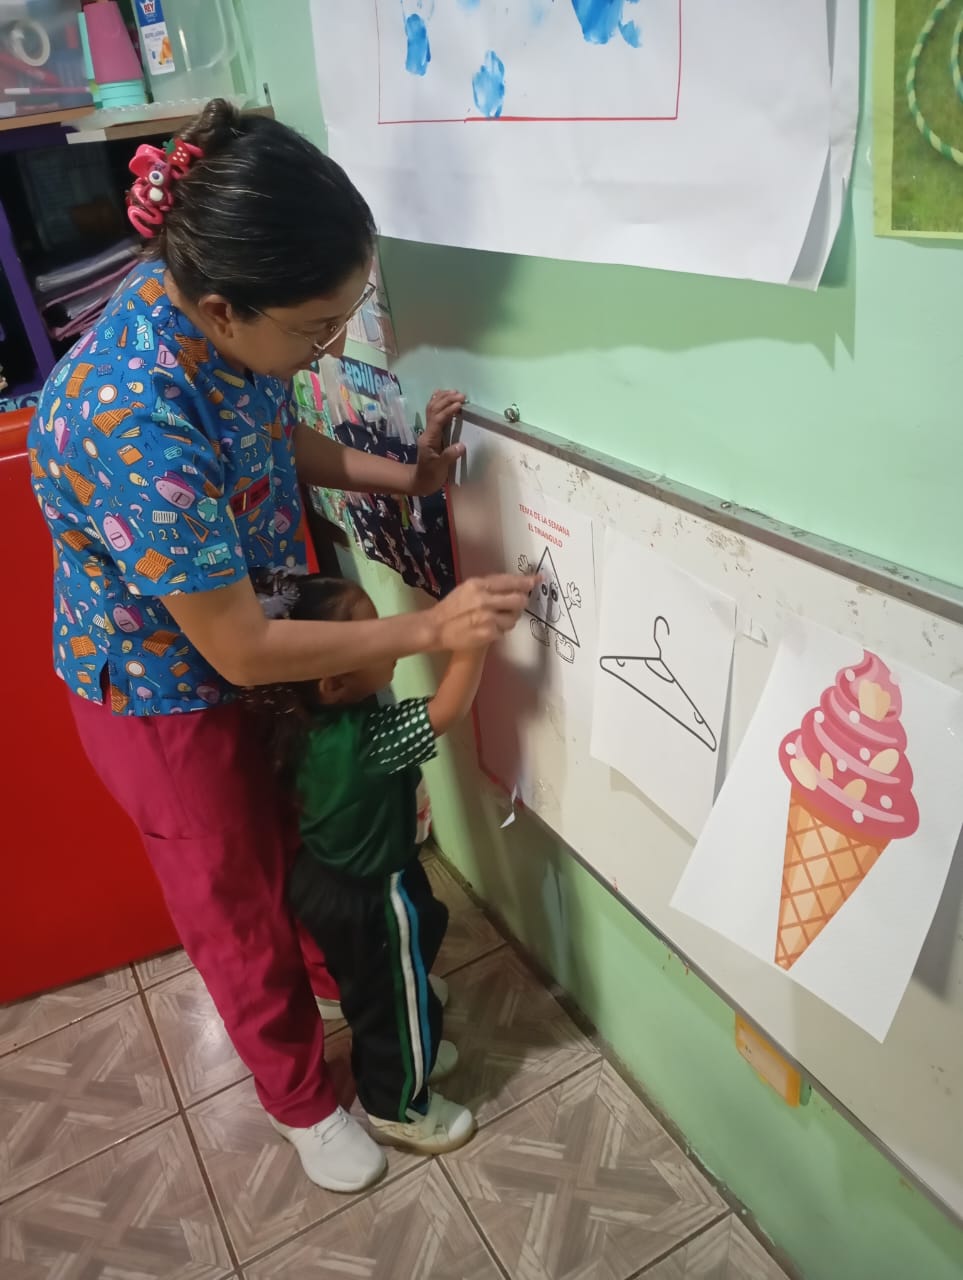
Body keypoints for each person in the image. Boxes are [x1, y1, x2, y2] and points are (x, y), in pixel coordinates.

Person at [27, 99, 534, 1195]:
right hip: (165, 696)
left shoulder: (208, 309)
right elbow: (243, 649)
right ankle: (300, 1096)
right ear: (224, 307)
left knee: (300, 851)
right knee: (237, 905)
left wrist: (407, 477)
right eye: (315, 328)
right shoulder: (129, 413)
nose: (331, 345)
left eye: (343, 316)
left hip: (256, 644)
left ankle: (349, 995)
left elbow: (265, 431)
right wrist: (433, 626)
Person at [247, 573, 488, 1157]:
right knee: (393, 1004)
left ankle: (410, 1035)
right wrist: (472, 644)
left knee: (382, 990)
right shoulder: (369, 739)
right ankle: (399, 1106)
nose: (391, 637)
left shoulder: (298, 720)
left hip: (328, 881)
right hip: (375, 896)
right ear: (333, 682)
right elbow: (448, 708)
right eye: (373, 635)